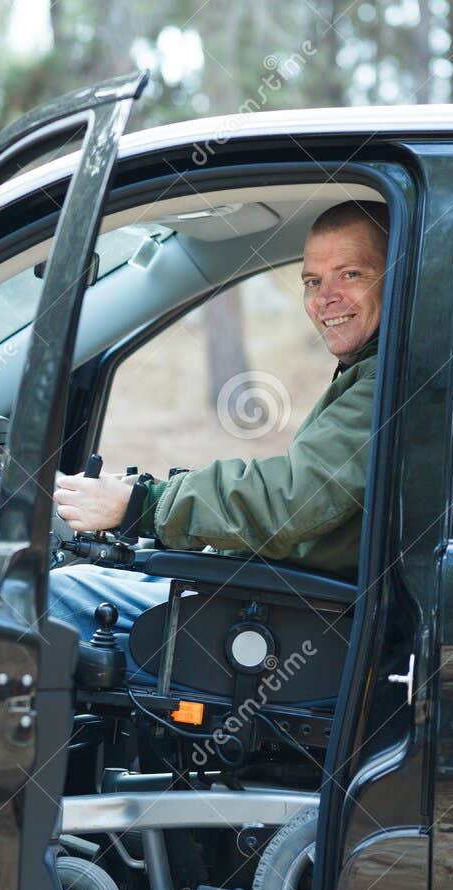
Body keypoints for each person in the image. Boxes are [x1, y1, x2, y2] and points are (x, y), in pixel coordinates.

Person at [48, 199, 388, 651]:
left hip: (290, 619)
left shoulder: (387, 379)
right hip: (280, 595)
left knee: (48, 596)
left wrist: (144, 504)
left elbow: (292, 498)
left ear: (396, 275)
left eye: (350, 274)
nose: (325, 298)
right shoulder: (371, 371)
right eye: (313, 281)